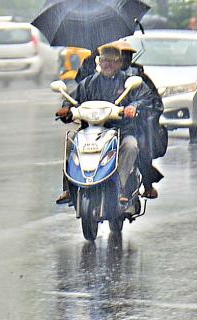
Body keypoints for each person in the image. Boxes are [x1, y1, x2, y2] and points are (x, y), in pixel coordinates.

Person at [55, 43, 150, 204]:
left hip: (121, 131)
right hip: (90, 130)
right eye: (105, 60)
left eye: (112, 61)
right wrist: (66, 109)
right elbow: (72, 100)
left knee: (131, 145)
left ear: (120, 63)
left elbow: (145, 98)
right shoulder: (88, 83)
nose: (108, 64)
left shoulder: (128, 82)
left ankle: (122, 186)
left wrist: (133, 107)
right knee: (71, 144)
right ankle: (69, 189)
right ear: (99, 62)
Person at [115, 41, 164, 199]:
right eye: (118, 55)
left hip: (134, 125)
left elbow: (154, 101)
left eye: (126, 55)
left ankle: (147, 185)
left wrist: (139, 110)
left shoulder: (139, 78)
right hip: (107, 125)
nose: (122, 59)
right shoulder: (99, 77)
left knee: (141, 147)